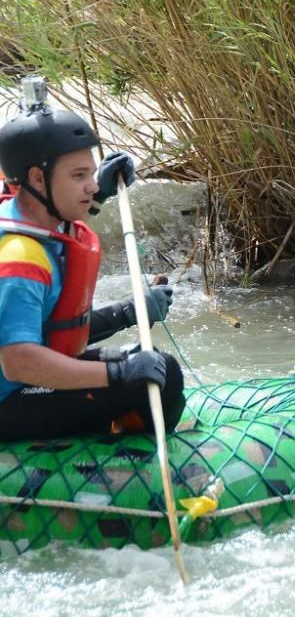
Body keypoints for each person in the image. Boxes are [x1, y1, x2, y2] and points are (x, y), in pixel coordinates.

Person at [0, 76, 184, 442]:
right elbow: (19, 361)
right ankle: (120, 460)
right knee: (152, 376)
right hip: (10, 401)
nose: (91, 186)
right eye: (79, 175)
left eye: (90, 173)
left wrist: (131, 312)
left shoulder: (35, 221)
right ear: (37, 178)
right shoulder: (19, 259)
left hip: (26, 385)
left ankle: (114, 431)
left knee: (162, 368)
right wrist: (117, 375)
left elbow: (57, 328)